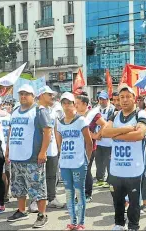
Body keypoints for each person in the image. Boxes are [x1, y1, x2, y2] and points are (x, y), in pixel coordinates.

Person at [101, 85, 146, 231]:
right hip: (116, 167)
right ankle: (119, 224)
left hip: (134, 167)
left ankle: (133, 226)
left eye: (128, 96)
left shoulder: (141, 114)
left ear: (134, 98)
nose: (124, 100)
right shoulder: (115, 115)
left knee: (134, 202)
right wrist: (127, 129)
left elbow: (139, 135)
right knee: (117, 201)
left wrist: (115, 134)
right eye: (121, 97)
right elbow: (104, 132)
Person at [5, 84, 51, 228]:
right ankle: (21, 210)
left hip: (32, 157)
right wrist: (8, 149)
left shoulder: (39, 110)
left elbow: (47, 132)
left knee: (37, 187)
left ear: (33, 95)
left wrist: (43, 152)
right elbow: (11, 131)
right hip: (16, 156)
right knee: (18, 186)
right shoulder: (15, 111)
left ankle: (42, 214)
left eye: (26, 94)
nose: (23, 96)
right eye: (21, 94)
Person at [55, 92, 93, 230]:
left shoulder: (81, 121)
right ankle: (73, 221)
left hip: (79, 163)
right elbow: (59, 144)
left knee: (79, 192)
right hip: (65, 164)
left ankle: (81, 223)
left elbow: (89, 143)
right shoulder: (59, 122)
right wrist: (62, 157)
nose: (66, 106)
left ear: (74, 104)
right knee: (69, 193)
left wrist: (86, 160)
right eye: (64, 103)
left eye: (69, 103)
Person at [37, 86, 65, 209]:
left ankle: (52, 198)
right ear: (42, 95)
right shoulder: (36, 111)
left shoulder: (52, 111)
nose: (52, 97)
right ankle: (36, 201)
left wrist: (59, 148)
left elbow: (55, 130)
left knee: (52, 176)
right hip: (40, 150)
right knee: (38, 177)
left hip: (52, 149)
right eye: (49, 95)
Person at [75, 92, 106, 203]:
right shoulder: (74, 115)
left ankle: (88, 193)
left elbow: (104, 124)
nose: (75, 105)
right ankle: (78, 194)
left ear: (85, 104)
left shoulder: (93, 115)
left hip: (89, 147)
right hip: (76, 146)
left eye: (78, 103)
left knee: (86, 169)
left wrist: (96, 135)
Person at [93, 91, 115, 188]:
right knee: (99, 161)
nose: (102, 101)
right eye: (100, 99)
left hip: (109, 142)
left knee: (109, 162)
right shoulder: (95, 110)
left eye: (104, 99)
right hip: (98, 141)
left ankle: (110, 180)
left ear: (108, 100)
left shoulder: (112, 110)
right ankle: (100, 179)